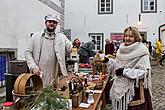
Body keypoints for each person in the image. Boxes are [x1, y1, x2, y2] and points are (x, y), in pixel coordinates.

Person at [25, 14, 80, 87]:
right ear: (45, 23)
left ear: (56, 24)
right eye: (50, 21)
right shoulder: (35, 36)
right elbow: (28, 52)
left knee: (52, 93)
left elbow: (71, 48)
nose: (52, 23)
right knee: (38, 93)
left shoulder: (62, 37)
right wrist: (33, 67)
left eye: (54, 22)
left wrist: (76, 45)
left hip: (54, 73)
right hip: (38, 72)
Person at [110, 26, 152, 110]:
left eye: (130, 36)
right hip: (119, 85)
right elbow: (118, 65)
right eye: (126, 36)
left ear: (136, 37)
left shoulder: (142, 50)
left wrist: (124, 71)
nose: (127, 38)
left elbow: (144, 72)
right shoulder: (121, 50)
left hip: (135, 89)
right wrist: (108, 61)